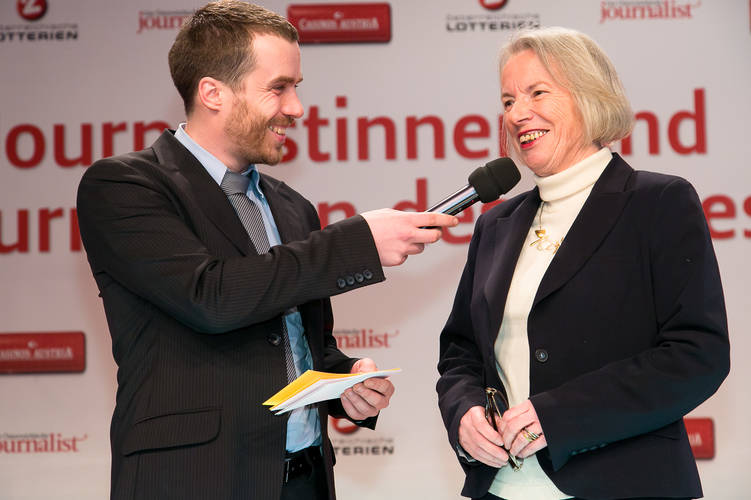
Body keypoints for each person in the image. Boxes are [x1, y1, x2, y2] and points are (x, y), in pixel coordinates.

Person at [76, 2, 457, 499]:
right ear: (212, 93)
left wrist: (344, 382)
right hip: (195, 481)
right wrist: (357, 242)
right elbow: (210, 298)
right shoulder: (125, 186)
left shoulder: (291, 207)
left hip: (305, 479)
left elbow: (298, 343)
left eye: (296, 87)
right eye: (278, 88)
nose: (296, 108)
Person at [436, 26, 729, 500]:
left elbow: (698, 355)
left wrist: (560, 415)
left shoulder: (658, 202)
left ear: (589, 96)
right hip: (500, 488)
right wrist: (464, 413)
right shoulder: (496, 223)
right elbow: (460, 352)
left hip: (624, 484)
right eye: (508, 100)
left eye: (537, 93)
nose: (517, 113)